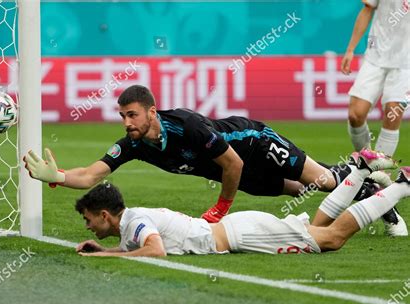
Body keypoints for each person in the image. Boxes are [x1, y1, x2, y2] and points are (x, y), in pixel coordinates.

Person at [23, 85, 404, 233]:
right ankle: (369, 188)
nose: (126, 123)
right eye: (122, 116)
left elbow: (232, 164)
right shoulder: (134, 144)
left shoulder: (188, 125)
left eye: (132, 115)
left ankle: (360, 162)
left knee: (322, 183)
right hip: (238, 168)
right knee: (300, 189)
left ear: (152, 112)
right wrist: (53, 174)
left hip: (252, 143)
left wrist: (221, 207)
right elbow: (91, 175)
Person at [73, 150, 409, 257]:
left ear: (105, 214)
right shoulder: (131, 222)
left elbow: (156, 250)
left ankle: (401, 187)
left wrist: (104, 256)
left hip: (243, 237)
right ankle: (360, 170)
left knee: (332, 238)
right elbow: (139, 244)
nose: (88, 226)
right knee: (317, 230)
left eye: (89, 220)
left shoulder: (134, 222)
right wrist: (108, 251)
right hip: (237, 229)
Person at [341, 0, 409, 156]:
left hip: (405, 63)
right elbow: (367, 9)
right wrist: (350, 49)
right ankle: (366, 162)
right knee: (355, 115)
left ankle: (379, 172)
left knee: (392, 114)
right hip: (375, 57)